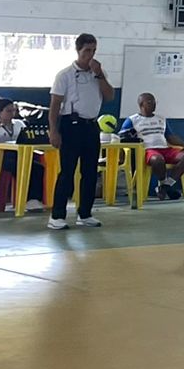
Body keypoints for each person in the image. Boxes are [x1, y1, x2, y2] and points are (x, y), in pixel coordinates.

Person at [48, 33, 114, 230]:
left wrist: (99, 74)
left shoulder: (98, 74)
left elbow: (109, 96)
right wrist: (54, 131)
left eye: (93, 50)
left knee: (90, 172)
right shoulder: (65, 75)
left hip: (91, 126)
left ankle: (85, 213)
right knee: (67, 171)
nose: (90, 54)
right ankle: (57, 216)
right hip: (71, 125)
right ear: (78, 50)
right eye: (87, 50)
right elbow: (55, 105)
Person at [119, 93, 184, 201]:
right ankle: (165, 185)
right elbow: (122, 137)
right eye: (150, 102)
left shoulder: (161, 119)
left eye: (154, 102)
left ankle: (166, 186)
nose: (153, 104)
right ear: (141, 104)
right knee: (157, 160)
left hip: (165, 149)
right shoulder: (132, 120)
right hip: (148, 150)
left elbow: (170, 137)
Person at [0, 96, 45, 212]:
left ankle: (34, 199)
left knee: (38, 168)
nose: (12, 114)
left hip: (19, 154)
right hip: (1, 157)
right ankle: (24, 199)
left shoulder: (19, 124)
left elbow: (27, 138)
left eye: (14, 111)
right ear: (0, 112)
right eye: (8, 111)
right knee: (19, 167)